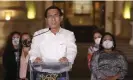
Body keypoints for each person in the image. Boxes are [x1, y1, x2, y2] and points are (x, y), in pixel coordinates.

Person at [29, 5, 77, 80]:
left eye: (56, 15)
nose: (53, 19)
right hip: (42, 73)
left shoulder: (68, 34)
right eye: (49, 16)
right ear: (46, 19)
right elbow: (33, 51)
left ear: (61, 18)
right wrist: (35, 58)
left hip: (61, 73)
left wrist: (67, 59)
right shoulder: (38, 34)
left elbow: (72, 50)